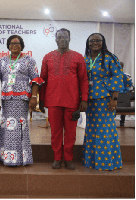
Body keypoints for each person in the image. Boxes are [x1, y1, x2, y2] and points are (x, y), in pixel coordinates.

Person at [39, 28, 88, 170]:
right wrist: (41, 100)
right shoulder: (48, 57)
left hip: (72, 102)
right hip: (53, 102)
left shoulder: (78, 57)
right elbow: (43, 79)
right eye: (59, 37)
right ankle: (57, 158)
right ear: (55, 39)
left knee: (71, 133)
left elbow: (84, 80)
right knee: (55, 132)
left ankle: (68, 158)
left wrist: (83, 99)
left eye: (65, 37)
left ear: (69, 38)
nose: (62, 40)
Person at [83, 33, 131, 170]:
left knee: (104, 129)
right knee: (92, 129)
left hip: (105, 99)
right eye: (92, 41)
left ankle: (108, 162)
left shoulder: (110, 58)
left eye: (98, 40)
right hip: (90, 100)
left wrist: (114, 99)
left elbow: (118, 77)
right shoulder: (85, 59)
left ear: (103, 42)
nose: (95, 43)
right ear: (88, 43)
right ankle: (92, 161)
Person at [0, 35, 44, 167]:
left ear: (22, 45)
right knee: (7, 125)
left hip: (21, 99)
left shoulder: (29, 60)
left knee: (19, 126)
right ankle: (6, 156)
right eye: (11, 43)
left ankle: (19, 157)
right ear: (8, 46)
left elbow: (35, 80)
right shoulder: (3, 61)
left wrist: (34, 97)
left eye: (17, 43)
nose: (14, 45)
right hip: (6, 98)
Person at [118, 62, 134, 127]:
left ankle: (119, 121)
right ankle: (122, 121)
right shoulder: (126, 75)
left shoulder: (114, 75)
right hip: (123, 94)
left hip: (120, 94)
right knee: (124, 102)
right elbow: (130, 85)